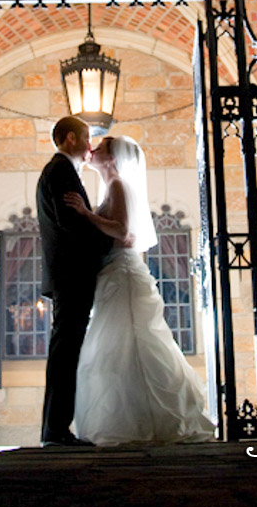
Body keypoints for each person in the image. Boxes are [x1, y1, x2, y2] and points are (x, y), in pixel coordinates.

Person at [63, 135, 217, 445]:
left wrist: (85, 213)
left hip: (123, 274)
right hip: (113, 272)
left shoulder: (118, 185)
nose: (93, 149)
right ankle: (134, 420)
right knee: (119, 347)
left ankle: (151, 421)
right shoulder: (112, 186)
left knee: (132, 343)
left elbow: (122, 231)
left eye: (102, 147)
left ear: (113, 159)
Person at [36, 116, 114, 446]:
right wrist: (109, 244)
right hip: (72, 273)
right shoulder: (62, 171)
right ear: (70, 139)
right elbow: (72, 223)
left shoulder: (57, 170)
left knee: (65, 348)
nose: (90, 146)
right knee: (66, 350)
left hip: (67, 273)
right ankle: (56, 429)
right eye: (86, 138)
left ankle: (54, 428)